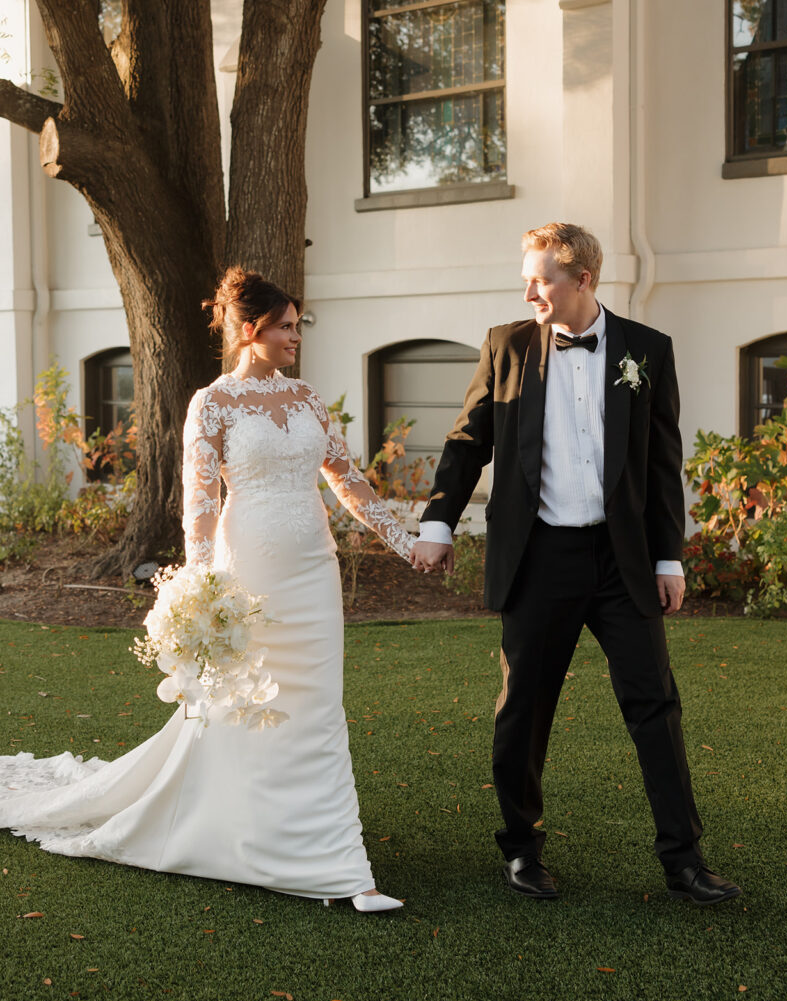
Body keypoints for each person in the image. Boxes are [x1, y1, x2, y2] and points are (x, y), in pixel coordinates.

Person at [0, 267, 416, 913]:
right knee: (240, 705)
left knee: (318, 710)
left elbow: (348, 481)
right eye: (285, 326)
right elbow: (200, 502)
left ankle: (338, 865)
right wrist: (201, 589)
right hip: (245, 570)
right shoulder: (212, 402)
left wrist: (406, 541)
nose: (294, 337)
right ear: (250, 331)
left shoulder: (306, 398)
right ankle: (251, 836)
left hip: (312, 571)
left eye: (296, 326)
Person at [411, 223, 740, 906]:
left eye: (542, 279)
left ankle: (682, 859)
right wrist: (438, 521)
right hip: (538, 558)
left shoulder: (646, 350)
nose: (529, 291)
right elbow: (466, 441)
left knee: (655, 704)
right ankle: (522, 852)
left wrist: (667, 558)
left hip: (620, 561)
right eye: (527, 278)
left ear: (581, 279)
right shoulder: (505, 346)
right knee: (523, 710)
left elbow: (659, 463)